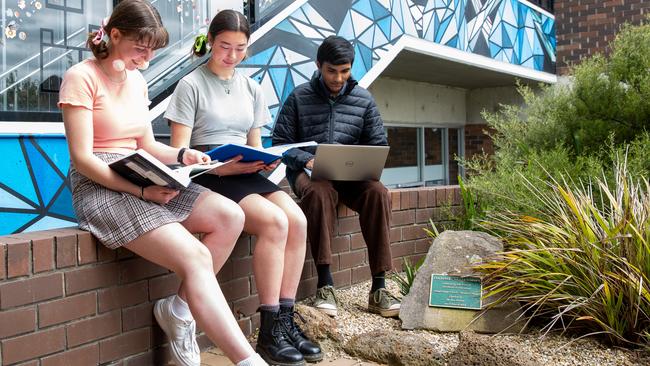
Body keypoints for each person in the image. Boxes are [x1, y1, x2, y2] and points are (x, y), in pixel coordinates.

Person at [58, 1, 266, 365]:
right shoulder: (82, 76)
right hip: (100, 183)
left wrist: (183, 155)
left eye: (152, 49)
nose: (147, 57)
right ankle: (248, 361)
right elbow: (83, 159)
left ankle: (180, 310)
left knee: (230, 216)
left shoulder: (137, 80)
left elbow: (147, 145)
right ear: (115, 35)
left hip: (142, 170)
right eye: (141, 48)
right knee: (196, 256)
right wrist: (142, 191)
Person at [164, 10, 321, 366]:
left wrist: (265, 161)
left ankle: (284, 319)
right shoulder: (190, 84)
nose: (231, 55)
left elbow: (256, 142)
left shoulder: (252, 88)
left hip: (246, 171)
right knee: (274, 222)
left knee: (297, 219)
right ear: (210, 40)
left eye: (240, 48)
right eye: (224, 46)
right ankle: (268, 330)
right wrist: (223, 168)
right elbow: (179, 156)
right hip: (209, 174)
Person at [272, 36, 401, 318]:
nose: (338, 78)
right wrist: (306, 159)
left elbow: (378, 144)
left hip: (352, 176)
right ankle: (325, 283)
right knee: (319, 192)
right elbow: (280, 143)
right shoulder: (299, 97)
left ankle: (379, 287)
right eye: (332, 71)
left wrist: (360, 161)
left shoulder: (364, 99)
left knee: (379, 193)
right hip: (311, 174)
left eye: (345, 71)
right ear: (319, 66)